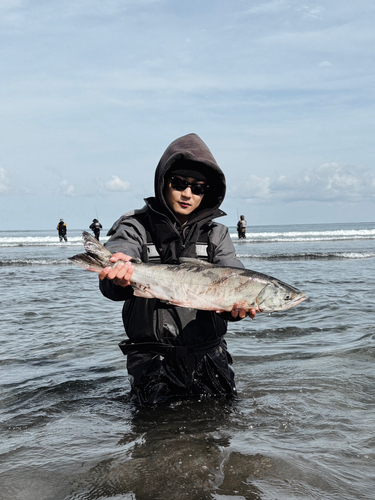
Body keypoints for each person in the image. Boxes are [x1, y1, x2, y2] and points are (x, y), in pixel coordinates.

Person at [98, 133, 257, 406]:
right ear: (163, 182)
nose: (188, 194)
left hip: (210, 356)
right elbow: (119, 258)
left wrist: (237, 309)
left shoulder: (216, 233)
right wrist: (118, 276)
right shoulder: (135, 226)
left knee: (220, 433)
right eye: (179, 183)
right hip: (151, 361)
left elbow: (233, 273)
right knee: (154, 436)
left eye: (198, 188)